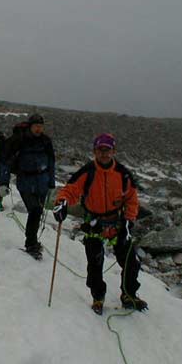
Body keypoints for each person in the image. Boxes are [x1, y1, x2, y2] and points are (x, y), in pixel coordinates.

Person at [52, 133, 148, 315]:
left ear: (114, 151)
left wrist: (129, 220)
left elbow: (131, 199)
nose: (104, 153)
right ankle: (98, 297)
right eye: (100, 150)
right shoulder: (87, 172)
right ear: (94, 151)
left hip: (118, 222)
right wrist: (62, 202)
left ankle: (129, 294)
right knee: (95, 263)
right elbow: (71, 190)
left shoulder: (123, 174)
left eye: (107, 150)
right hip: (93, 222)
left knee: (131, 261)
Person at [0, 114, 55, 260]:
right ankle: (31, 244)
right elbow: (4, 161)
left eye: (41, 126)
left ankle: (33, 241)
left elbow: (51, 161)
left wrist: (51, 181)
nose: (39, 129)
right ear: (30, 126)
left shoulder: (45, 141)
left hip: (42, 180)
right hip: (25, 181)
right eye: (36, 126)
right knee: (35, 210)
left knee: (38, 211)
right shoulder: (19, 140)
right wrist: (3, 183)